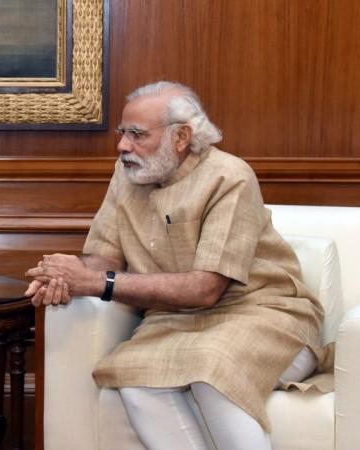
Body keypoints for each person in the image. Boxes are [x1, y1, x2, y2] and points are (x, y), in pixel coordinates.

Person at [25, 81, 327, 450]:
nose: (122, 146)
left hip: (264, 313)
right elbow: (104, 257)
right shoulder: (128, 174)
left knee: (210, 372)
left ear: (181, 136)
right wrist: (66, 275)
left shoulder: (229, 177)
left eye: (137, 134)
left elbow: (205, 289)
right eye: (123, 133)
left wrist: (96, 283)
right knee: (132, 376)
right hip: (174, 320)